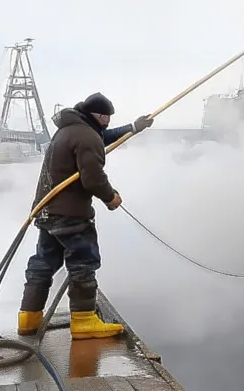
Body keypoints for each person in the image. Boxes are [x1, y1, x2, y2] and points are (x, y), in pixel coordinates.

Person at [17, 92, 153, 339]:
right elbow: (92, 178)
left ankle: (28, 318)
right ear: (96, 115)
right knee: (83, 263)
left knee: (43, 264)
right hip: (71, 215)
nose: (108, 122)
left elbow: (103, 137)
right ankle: (83, 321)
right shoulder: (86, 135)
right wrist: (111, 198)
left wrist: (134, 128)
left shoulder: (71, 129)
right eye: (106, 117)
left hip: (47, 211)